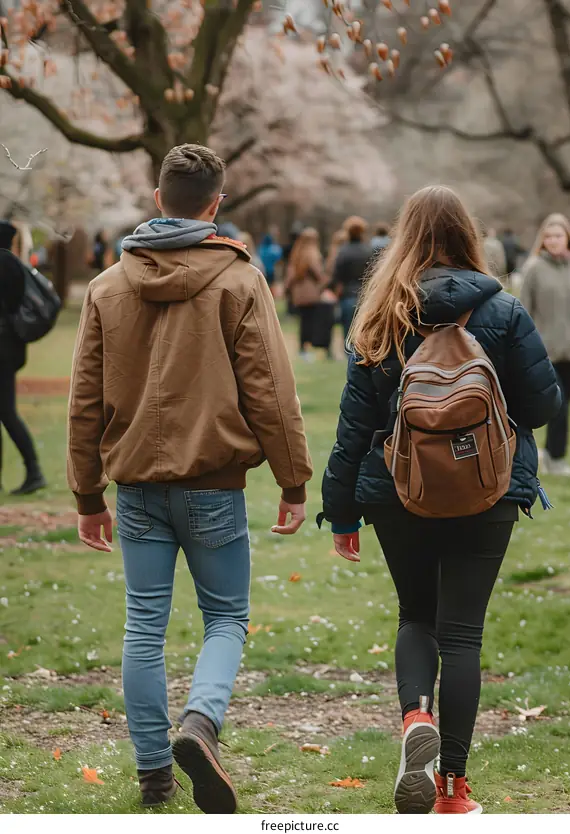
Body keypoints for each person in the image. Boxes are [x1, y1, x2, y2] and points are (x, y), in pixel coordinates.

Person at [67, 144, 312, 812]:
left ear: (157, 200)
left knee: (144, 625)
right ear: (216, 205)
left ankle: (154, 773)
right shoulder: (239, 279)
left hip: (137, 485)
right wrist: (293, 481)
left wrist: (87, 494)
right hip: (212, 484)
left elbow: (84, 399)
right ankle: (201, 722)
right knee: (226, 617)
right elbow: (269, 388)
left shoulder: (106, 286)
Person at [319, 186, 560, 815]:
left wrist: (341, 510)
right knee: (464, 636)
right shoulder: (503, 311)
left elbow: (352, 426)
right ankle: (452, 789)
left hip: (401, 490)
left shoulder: (381, 314)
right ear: (467, 236)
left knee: (415, 617)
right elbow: (540, 405)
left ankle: (413, 719)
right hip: (490, 490)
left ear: (404, 237)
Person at [520, 213, 570, 476]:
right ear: (543, 240)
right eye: (549, 236)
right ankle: (557, 458)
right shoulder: (534, 268)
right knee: (559, 405)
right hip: (546, 352)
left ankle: (549, 451)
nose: (553, 241)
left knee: (563, 406)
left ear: (568, 238)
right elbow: (523, 310)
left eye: (558, 236)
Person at [0, 225, 47, 496]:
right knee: (4, 412)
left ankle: (34, 470)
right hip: (11, 349)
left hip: (2, 350)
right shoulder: (15, 265)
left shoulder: (3, 263)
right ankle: (32, 470)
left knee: (7, 412)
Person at [285, 227, 327, 359]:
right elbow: (318, 272)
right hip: (311, 292)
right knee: (310, 322)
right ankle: (307, 348)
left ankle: (302, 348)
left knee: (303, 321)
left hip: (298, 292)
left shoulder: (296, 253)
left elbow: (290, 275)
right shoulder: (312, 253)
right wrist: (324, 282)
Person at [332, 216, 373, 344]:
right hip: (366, 295)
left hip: (347, 295)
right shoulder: (368, 250)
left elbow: (337, 275)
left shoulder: (343, 251)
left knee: (347, 330)